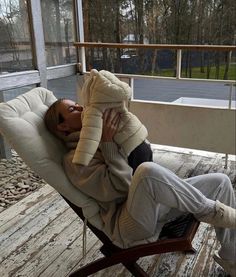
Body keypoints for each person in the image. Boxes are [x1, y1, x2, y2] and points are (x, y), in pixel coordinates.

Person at [44, 98, 236, 277]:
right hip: (128, 225)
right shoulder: (74, 160)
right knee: (146, 172)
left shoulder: (100, 137)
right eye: (72, 109)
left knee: (220, 181)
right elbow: (120, 189)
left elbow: (140, 153)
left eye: (77, 104)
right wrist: (108, 145)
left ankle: (232, 258)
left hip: (151, 208)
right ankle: (213, 211)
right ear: (63, 126)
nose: (81, 108)